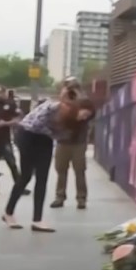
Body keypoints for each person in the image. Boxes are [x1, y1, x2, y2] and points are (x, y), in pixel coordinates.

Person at [3, 88, 95, 233]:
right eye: (84, 114)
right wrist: (54, 132)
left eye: (87, 117)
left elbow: (62, 136)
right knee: (26, 177)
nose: (84, 118)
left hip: (45, 140)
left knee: (42, 178)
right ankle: (8, 213)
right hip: (28, 135)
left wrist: (57, 133)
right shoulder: (53, 107)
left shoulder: (74, 123)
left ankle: (37, 220)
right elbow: (36, 124)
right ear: (76, 108)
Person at [51, 79, 94, 210]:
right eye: (68, 89)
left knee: (79, 171)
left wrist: (71, 101)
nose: (71, 92)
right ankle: (60, 197)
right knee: (61, 170)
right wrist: (63, 99)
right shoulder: (60, 104)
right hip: (62, 141)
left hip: (78, 142)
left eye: (73, 89)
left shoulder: (85, 103)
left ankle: (81, 198)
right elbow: (56, 118)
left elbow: (80, 116)